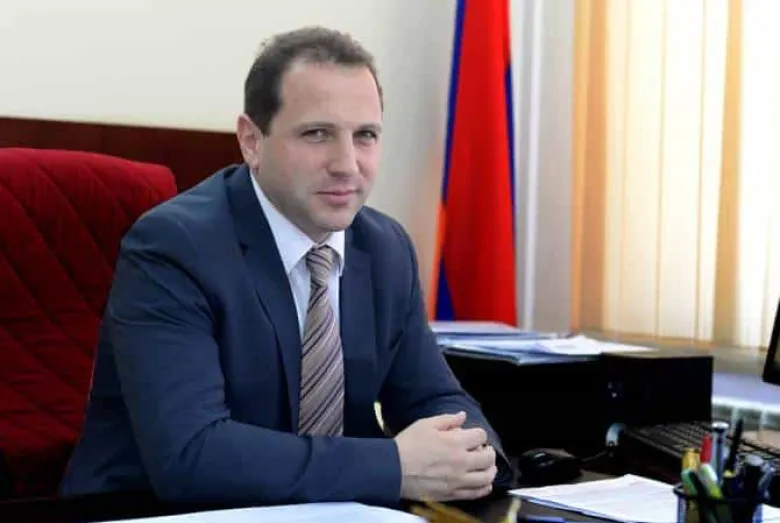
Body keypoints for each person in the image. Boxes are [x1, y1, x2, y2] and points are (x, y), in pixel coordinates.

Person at [60, 26, 513, 507]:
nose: (347, 164)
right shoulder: (175, 247)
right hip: (152, 511)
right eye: (317, 134)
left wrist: (474, 456)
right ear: (251, 141)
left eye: (365, 135)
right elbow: (192, 456)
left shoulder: (385, 248)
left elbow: (435, 400)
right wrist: (395, 466)